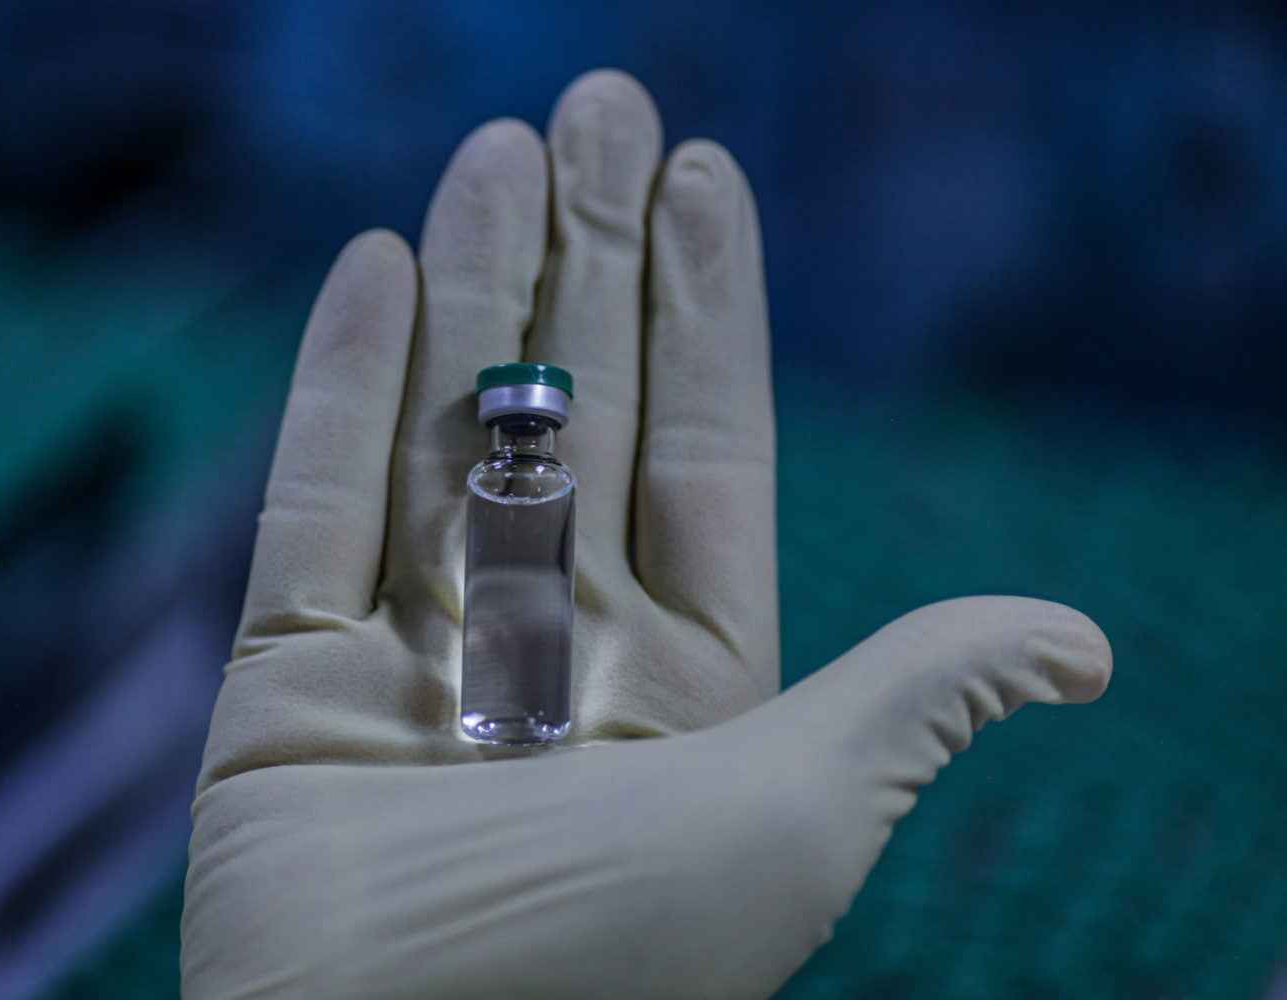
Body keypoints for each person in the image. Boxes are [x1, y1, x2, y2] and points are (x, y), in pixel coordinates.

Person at [180, 68, 1111, 999]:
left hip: (533, 724)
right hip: (477, 725)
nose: (520, 447)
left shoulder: (541, 479)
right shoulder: (491, 479)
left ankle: (526, 718)